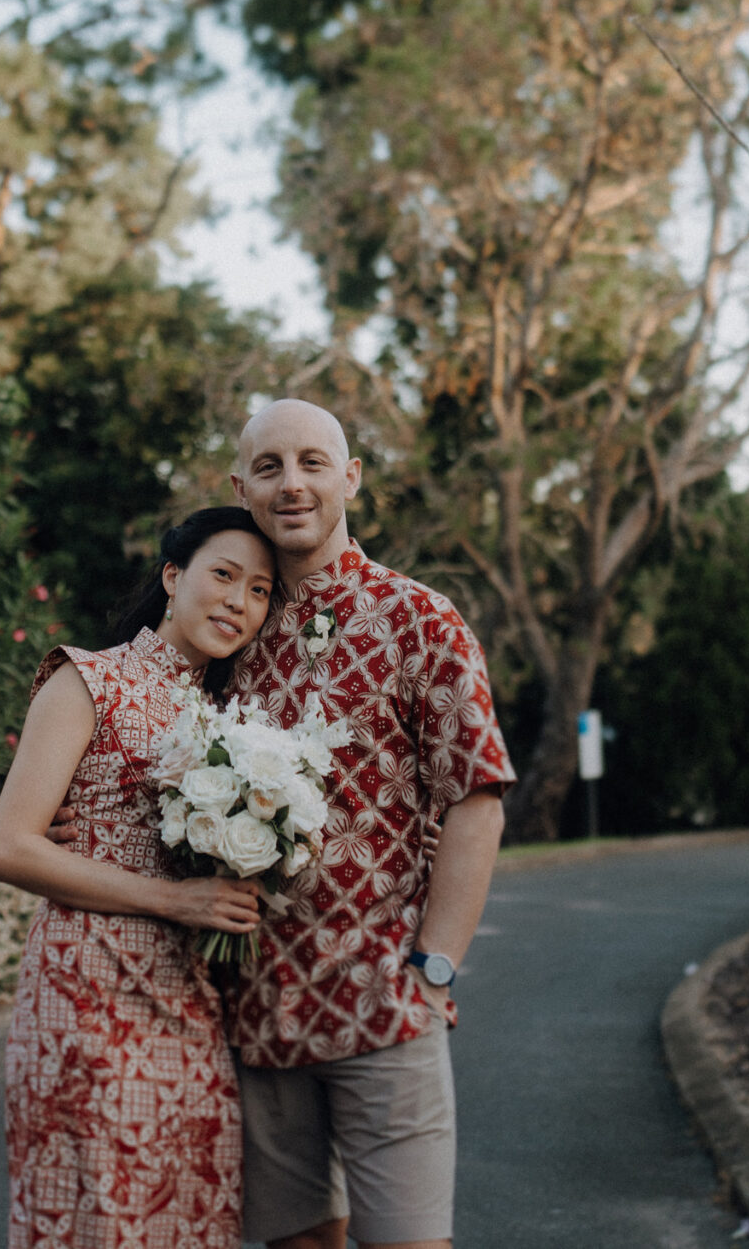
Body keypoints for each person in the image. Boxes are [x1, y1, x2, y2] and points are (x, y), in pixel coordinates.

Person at [224, 398, 514, 1249]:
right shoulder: (228, 628)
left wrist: (435, 967)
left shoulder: (420, 618)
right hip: (259, 1009)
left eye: (313, 462)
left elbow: (477, 794)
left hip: (383, 998)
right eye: (270, 467)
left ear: (351, 477)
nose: (292, 484)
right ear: (241, 488)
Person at [0, 506, 279, 1249]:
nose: (238, 601)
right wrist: (175, 898)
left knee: (195, 1215)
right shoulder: (89, 677)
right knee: (102, 1221)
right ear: (173, 577)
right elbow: (10, 847)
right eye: (222, 575)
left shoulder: (234, 720)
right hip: (88, 994)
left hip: (192, 1003)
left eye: (260, 589)